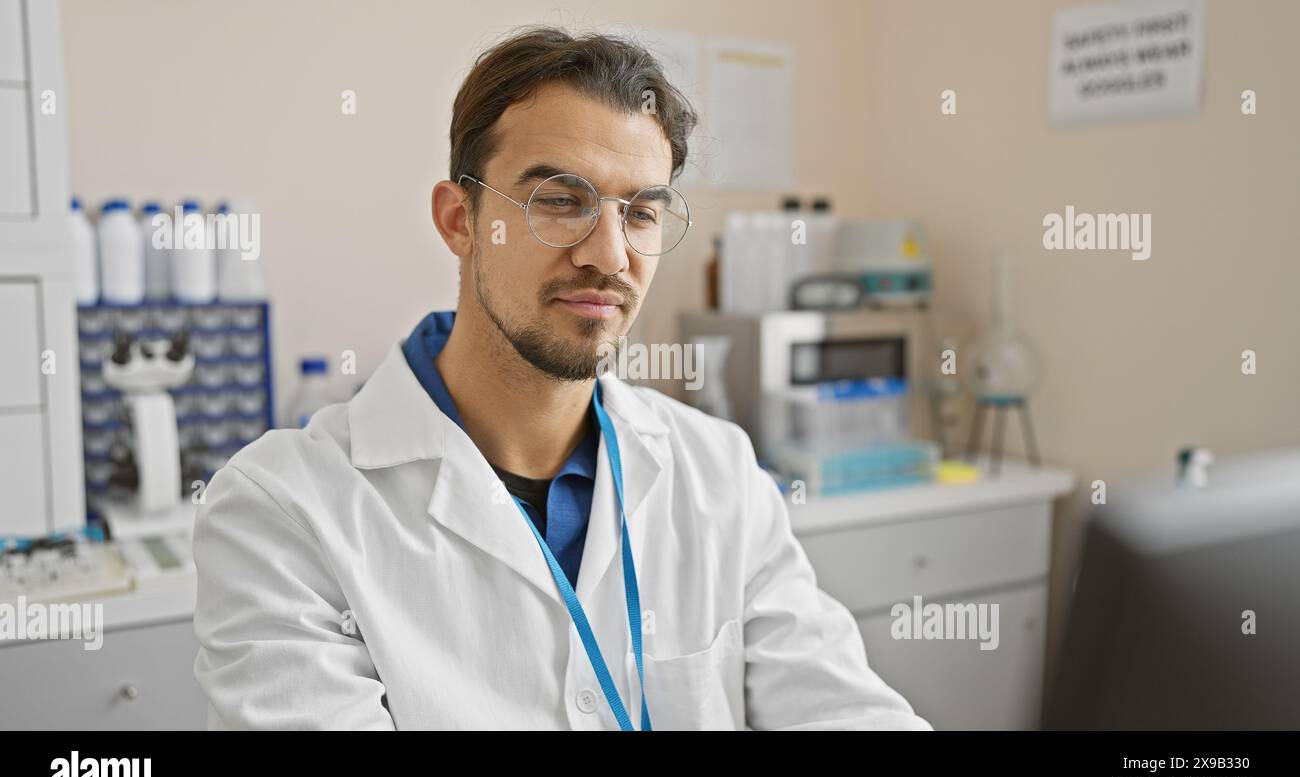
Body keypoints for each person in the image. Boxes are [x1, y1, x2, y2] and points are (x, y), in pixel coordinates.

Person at [192, 25, 931, 731]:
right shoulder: (282, 513)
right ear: (460, 220)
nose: (608, 254)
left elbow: (843, 708)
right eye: (560, 201)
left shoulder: (719, 474)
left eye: (640, 211)